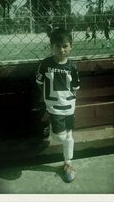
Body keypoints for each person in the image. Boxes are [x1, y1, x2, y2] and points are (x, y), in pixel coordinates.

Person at [36, 28, 80, 183]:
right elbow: (40, 83)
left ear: (71, 46)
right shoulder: (45, 64)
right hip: (53, 107)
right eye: (57, 46)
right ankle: (52, 126)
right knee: (59, 136)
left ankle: (68, 163)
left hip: (68, 106)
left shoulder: (73, 67)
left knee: (69, 136)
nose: (61, 49)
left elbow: (75, 88)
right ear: (51, 47)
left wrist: (69, 101)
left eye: (65, 46)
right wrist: (49, 101)